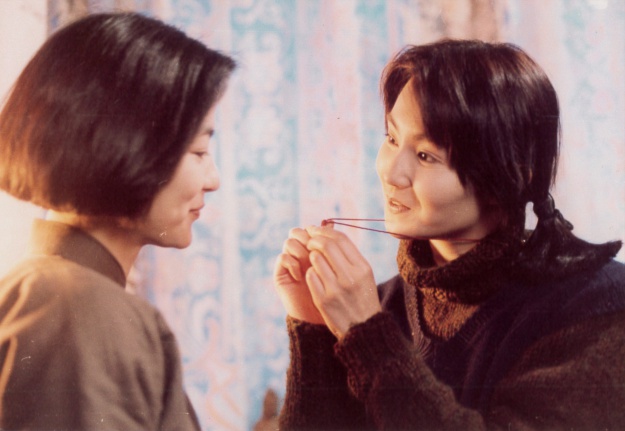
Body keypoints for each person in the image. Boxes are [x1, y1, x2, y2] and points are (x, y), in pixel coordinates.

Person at [274, 39, 625, 430]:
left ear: (507, 177)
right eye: (392, 139)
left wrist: (368, 337)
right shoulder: (384, 303)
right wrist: (313, 329)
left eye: (425, 156)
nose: (391, 172)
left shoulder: (599, 304)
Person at [0, 12, 235, 429]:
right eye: (199, 152)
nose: (213, 180)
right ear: (127, 144)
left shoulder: (67, 294)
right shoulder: (74, 305)